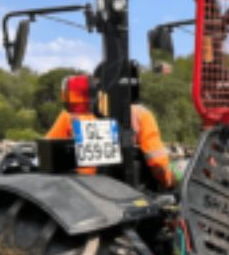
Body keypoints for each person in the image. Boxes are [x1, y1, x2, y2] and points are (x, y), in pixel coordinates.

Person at [45, 73, 181, 189]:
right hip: (126, 190)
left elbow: (46, 153)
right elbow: (157, 163)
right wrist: (169, 182)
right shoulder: (141, 114)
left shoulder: (69, 115)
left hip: (82, 189)